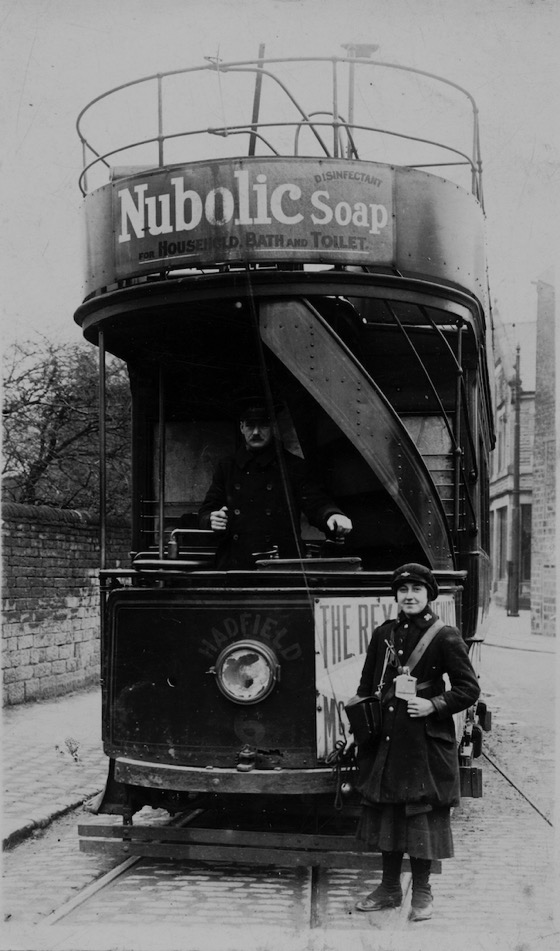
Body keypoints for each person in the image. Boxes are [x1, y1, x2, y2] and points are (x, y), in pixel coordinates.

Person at [350, 563, 480, 922]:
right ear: (396, 595)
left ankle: (422, 891)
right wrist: (363, 726)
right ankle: (389, 888)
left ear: (428, 596)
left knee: (421, 814)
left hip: (424, 740)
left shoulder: (445, 635)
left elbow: (469, 689)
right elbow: (366, 687)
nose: (409, 595)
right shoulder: (384, 634)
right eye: (403, 589)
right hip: (389, 738)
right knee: (389, 811)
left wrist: (434, 704)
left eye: (417, 590)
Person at [198, 399, 352, 569]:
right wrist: (211, 519)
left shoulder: (293, 466)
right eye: (250, 425)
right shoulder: (226, 467)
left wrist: (332, 515)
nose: (256, 432)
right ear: (242, 427)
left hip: (282, 563)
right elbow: (208, 509)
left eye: (263, 425)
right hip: (236, 563)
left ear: (273, 427)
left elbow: (315, 502)